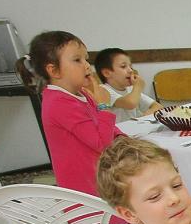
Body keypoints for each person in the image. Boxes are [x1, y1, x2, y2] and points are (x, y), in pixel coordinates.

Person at [15, 31, 122, 196]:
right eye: (77, 60)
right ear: (54, 71)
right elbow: (102, 143)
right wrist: (103, 105)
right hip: (85, 188)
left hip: (99, 174)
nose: (87, 65)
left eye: (86, 58)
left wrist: (123, 138)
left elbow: (105, 128)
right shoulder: (59, 103)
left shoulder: (82, 93)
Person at [93, 47, 163, 122]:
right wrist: (138, 87)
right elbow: (130, 103)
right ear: (107, 73)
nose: (130, 70)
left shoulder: (131, 89)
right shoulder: (103, 90)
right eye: (123, 66)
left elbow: (158, 106)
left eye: (130, 66)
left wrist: (146, 115)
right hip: (116, 132)